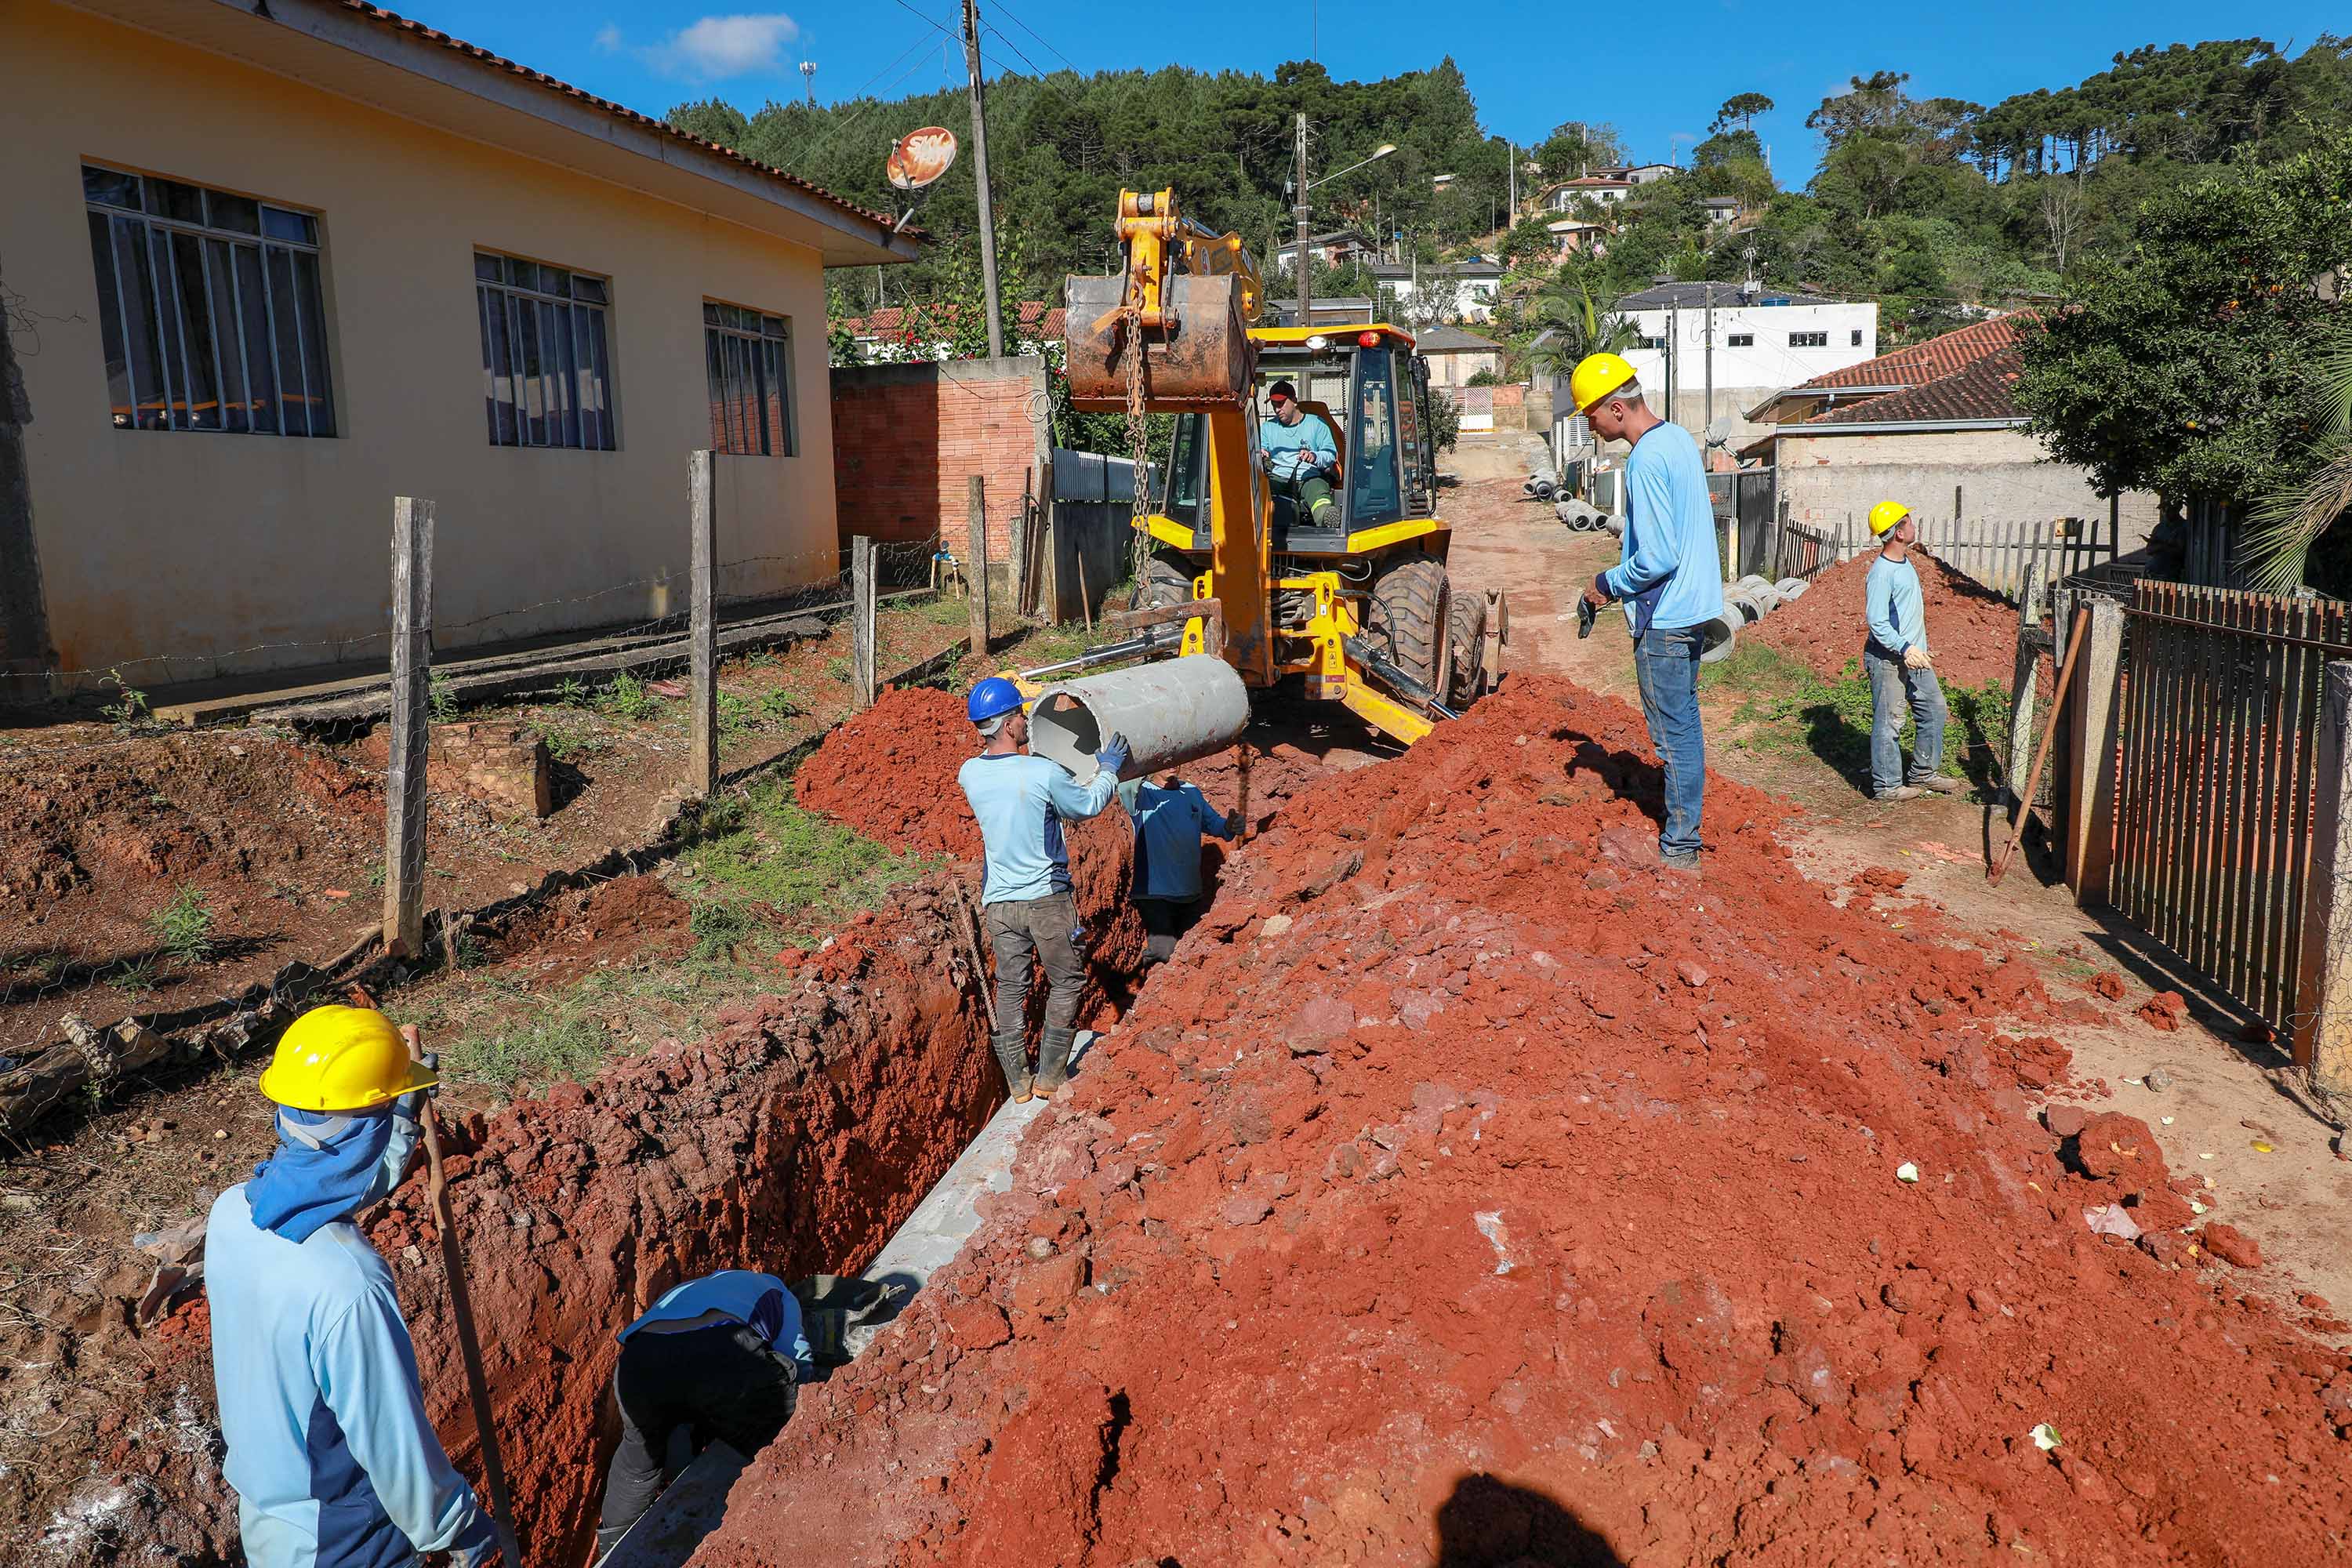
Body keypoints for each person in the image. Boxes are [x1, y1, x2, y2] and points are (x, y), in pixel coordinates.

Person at [206, 1005, 499, 1568]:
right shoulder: (349, 1284)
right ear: (369, 1124)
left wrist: (401, 1120)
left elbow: (333, 1177)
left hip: (273, 1530)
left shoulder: (231, 1215)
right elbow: (391, 1440)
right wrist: (456, 1526)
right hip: (348, 1542)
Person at [1573, 352, 1725, 869]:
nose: (1589, 426)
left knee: (1672, 733)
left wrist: (1606, 583)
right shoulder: (1679, 440)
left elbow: (1658, 557)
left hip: (1665, 618)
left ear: (1616, 408)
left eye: (1591, 415)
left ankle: (1681, 847)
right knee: (1684, 725)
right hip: (1692, 610)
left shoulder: (1644, 460)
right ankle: (1684, 832)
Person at [957, 676, 1128, 1101]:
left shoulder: (970, 774)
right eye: (1020, 714)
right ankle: (1051, 1074)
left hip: (999, 902)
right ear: (1006, 724)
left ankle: (1019, 1082)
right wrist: (1108, 768)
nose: (1026, 721)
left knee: (1012, 987)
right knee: (1067, 980)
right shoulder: (1042, 772)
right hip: (1046, 900)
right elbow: (1086, 806)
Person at [593, 1269, 814, 1556]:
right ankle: (771, 1526)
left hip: (639, 1361)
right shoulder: (781, 1292)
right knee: (778, 1436)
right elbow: (800, 1362)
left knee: (639, 1457)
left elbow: (679, 1366)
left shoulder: (692, 1288)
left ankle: (611, 1552)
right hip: (721, 1350)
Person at [1861, 499, 1963, 803]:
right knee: (1890, 721)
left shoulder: (1905, 563)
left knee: (1934, 708)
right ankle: (1887, 786)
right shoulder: (1882, 573)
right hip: (1888, 658)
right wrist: (1904, 648)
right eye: (1908, 521)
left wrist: (1918, 648)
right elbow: (1877, 621)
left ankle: (1923, 773)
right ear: (1899, 534)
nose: (1914, 525)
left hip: (1915, 655)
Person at [1119, 769, 1240, 967]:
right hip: (1154, 893)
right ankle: (1153, 995)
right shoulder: (1140, 794)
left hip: (1190, 894)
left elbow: (1214, 824)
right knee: (1163, 952)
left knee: (1191, 956)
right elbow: (1124, 782)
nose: (1171, 763)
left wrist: (1230, 826)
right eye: (1163, 758)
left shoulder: (1191, 792)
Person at [1258, 379, 1341, 528]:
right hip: (1281, 479)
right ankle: (1287, 516)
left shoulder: (1317, 424)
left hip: (1310, 476)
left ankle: (1326, 515)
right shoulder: (1267, 428)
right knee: (1279, 503)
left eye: (1281, 404)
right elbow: (1260, 449)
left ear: (1294, 401)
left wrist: (1314, 457)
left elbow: (1330, 455)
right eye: (1274, 405)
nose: (1277, 409)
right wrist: (1262, 453)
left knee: (1319, 496)